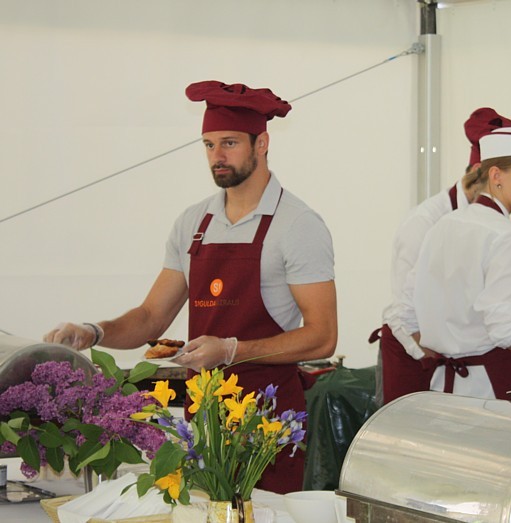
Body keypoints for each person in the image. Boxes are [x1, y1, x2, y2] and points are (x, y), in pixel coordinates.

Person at [44, 80, 338, 494]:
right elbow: (150, 318)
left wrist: (233, 350)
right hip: (204, 414)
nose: (216, 156)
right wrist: (95, 332)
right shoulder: (194, 223)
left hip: (267, 418)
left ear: (262, 143)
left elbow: (322, 336)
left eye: (230, 143)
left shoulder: (297, 225)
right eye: (208, 144)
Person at [398, 115, 511, 399]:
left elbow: (406, 316)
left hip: (441, 388)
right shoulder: (505, 235)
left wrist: (451, 346)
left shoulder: (443, 224)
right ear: (496, 176)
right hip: (493, 390)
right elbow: (506, 329)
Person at [373, 108, 501, 405]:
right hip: (412, 355)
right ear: (480, 174)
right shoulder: (425, 223)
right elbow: (403, 317)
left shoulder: (491, 221)